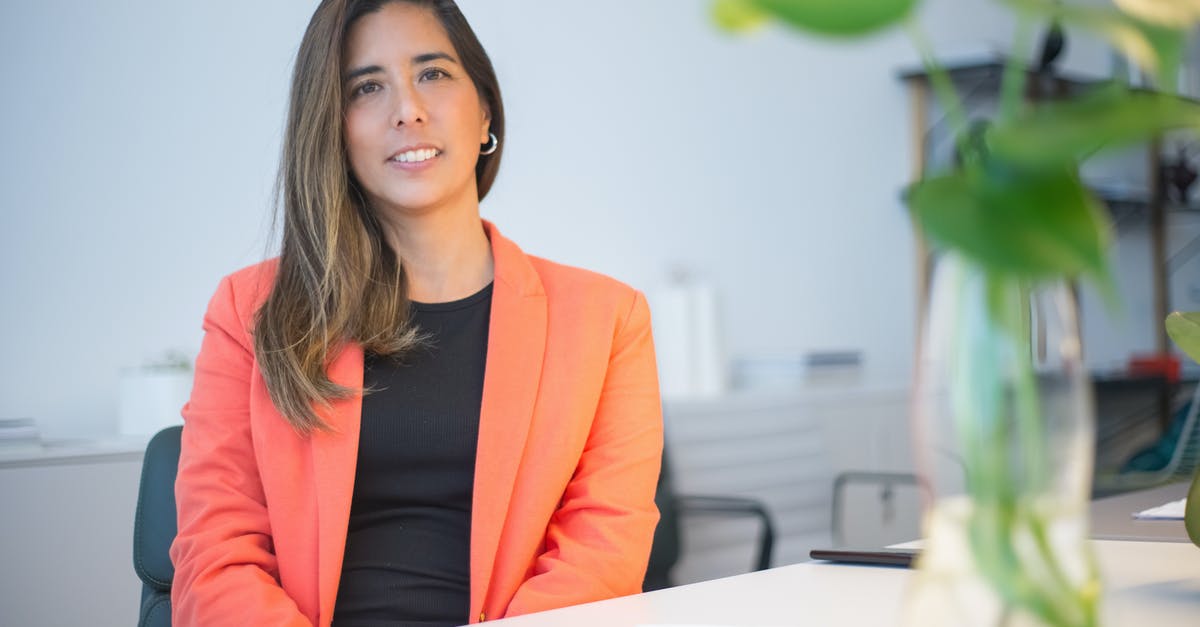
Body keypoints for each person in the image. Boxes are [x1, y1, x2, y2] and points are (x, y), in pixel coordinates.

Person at [168, 1, 664, 625]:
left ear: (485, 108)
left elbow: (603, 554)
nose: (408, 109)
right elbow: (218, 557)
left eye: (432, 73)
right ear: (333, 128)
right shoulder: (251, 311)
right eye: (368, 87)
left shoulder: (607, 319)